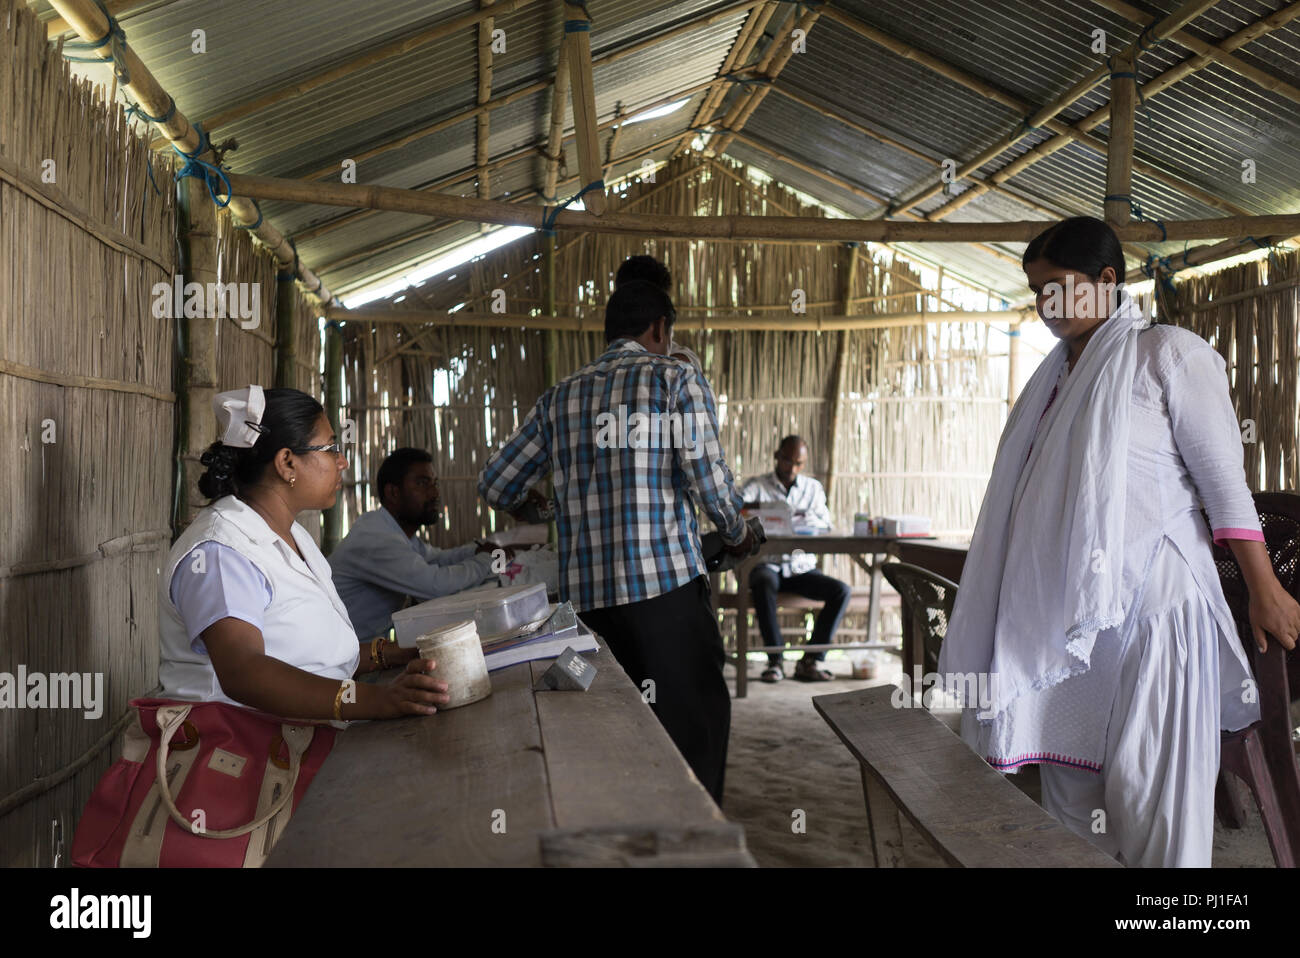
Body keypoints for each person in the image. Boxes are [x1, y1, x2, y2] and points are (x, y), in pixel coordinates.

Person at [937, 216, 1300, 867]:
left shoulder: (1168, 354)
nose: (1046, 306)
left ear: (1107, 280)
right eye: (1036, 292)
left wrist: (1264, 589)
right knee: (1069, 798)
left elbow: (1224, 484)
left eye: (1059, 288)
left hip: (1155, 611)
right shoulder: (1053, 380)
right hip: (1069, 622)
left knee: (1153, 797)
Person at [478, 279, 754, 805]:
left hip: (588, 617)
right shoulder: (675, 378)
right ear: (659, 328)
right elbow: (709, 481)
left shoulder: (559, 396)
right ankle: (691, 848)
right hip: (667, 598)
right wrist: (738, 534)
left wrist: (553, 507)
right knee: (693, 729)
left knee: (607, 734)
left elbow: (496, 483)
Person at [160, 386, 450, 721]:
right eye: (330, 449)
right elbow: (244, 672)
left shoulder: (292, 535)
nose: (341, 462)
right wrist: (377, 700)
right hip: (236, 754)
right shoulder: (220, 552)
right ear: (286, 462)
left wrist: (396, 655)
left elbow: (314, 656)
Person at [328, 447, 506, 641]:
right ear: (393, 492)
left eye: (435, 483)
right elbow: (435, 586)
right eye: (422, 483)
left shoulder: (394, 531)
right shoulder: (376, 538)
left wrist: (476, 550)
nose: (435, 493)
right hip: (342, 663)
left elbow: (436, 557)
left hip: (363, 652)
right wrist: (487, 559)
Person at [740, 436, 850, 683]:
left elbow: (825, 524)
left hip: (801, 568)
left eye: (798, 463)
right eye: (788, 460)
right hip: (767, 564)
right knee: (763, 582)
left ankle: (811, 661)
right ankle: (775, 661)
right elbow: (739, 511)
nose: (792, 468)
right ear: (776, 456)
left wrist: (805, 523)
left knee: (841, 591)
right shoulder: (755, 486)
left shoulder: (813, 490)